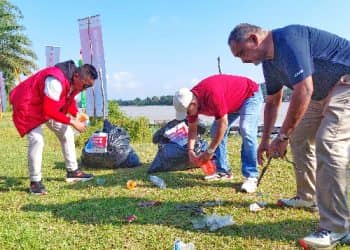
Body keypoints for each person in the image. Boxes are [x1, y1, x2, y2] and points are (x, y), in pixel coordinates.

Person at [228, 23, 350, 248]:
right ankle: (306, 197)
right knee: (299, 136)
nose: (243, 60)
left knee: (328, 142)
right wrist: (265, 140)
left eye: (242, 53)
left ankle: (337, 227)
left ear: (254, 39)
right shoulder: (269, 64)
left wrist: (281, 136)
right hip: (322, 94)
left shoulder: (289, 38)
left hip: (345, 82)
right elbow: (273, 102)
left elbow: (304, 89)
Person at [10, 60, 98, 195]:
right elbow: (49, 111)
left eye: (89, 87)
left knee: (66, 133)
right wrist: (73, 122)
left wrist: (77, 114)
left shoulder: (74, 82)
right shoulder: (55, 81)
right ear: (77, 77)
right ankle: (35, 182)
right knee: (37, 140)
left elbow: (69, 100)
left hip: (44, 105)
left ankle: (73, 172)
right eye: (85, 85)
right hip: (28, 105)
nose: (85, 89)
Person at [173, 74, 263, 193]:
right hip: (231, 103)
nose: (188, 115)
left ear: (193, 103)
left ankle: (251, 176)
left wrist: (209, 151)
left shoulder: (212, 94)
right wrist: (190, 150)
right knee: (215, 130)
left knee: (246, 129)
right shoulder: (191, 105)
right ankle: (223, 171)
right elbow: (192, 129)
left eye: (187, 112)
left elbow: (223, 124)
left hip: (250, 95)